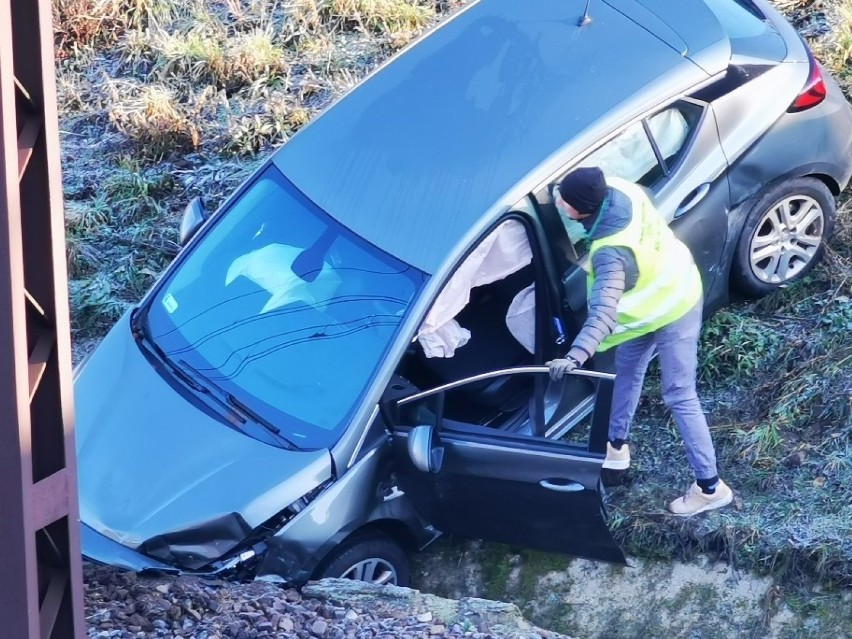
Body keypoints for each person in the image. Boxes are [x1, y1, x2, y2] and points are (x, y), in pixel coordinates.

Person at [547, 166, 732, 516]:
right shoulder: (619, 187)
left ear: (580, 211)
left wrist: (574, 357)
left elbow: (602, 314)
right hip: (653, 300)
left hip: (675, 303)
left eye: (564, 201)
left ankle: (710, 487)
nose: (558, 203)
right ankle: (616, 447)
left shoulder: (609, 253)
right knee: (627, 371)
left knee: (679, 393)